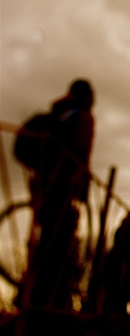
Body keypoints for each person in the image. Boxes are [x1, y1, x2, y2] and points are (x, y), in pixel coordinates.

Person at [18, 78, 95, 311]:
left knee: (47, 239)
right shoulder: (80, 117)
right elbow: (79, 153)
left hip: (44, 184)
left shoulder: (56, 115)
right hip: (61, 186)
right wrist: (78, 182)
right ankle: (49, 299)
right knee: (58, 241)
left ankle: (34, 295)